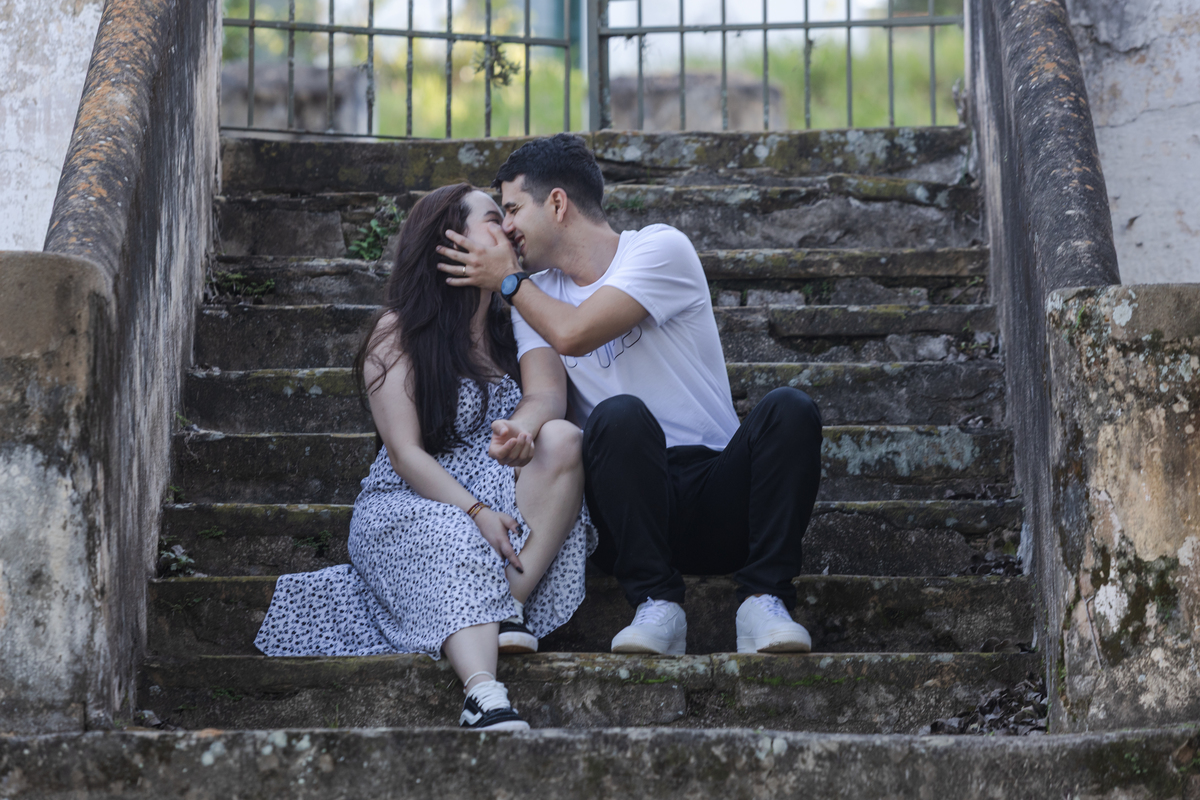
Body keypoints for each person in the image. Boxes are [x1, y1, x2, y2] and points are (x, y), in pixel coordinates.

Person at [436, 134, 823, 657]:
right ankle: (655, 605)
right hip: (626, 506)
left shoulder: (659, 249)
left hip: (719, 493)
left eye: (512, 209)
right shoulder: (536, 294)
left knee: (790, 408)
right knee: (618, 417)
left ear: (557, 203)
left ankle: (765, 601)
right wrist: (522, 427)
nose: (506, 227)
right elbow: (546, 392)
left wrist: (507, 282)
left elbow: (574, 333)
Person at [255, 183, 596, 732]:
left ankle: (501, 606)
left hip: (504, 496)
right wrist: (476, 512)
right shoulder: (400, 331)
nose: (509, 227)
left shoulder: (521, 315)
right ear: (451, 241)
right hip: (415, 499)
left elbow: (547, 398)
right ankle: (482, 694)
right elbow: (406, 453)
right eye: (493, 218)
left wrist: (521, 431)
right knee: (452, 533)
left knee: (565, 440)